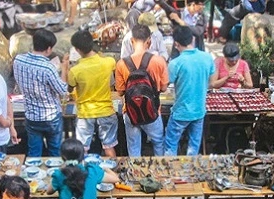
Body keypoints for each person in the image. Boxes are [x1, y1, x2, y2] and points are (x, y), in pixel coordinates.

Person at [115, 23, 168, 157]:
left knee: (133, 147)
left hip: (130, 112)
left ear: (131, 41)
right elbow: (163, 88)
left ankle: (135, 173)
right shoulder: (159, 61)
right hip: (153, 111)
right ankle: (159, 172)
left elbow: (120, 91)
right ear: (149, 42)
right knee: (158, 142)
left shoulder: (121, 64)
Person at [13, 29, 68, 157]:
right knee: (55, 152)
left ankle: (34, 176)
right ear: (49, 49)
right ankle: (55, 175)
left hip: (31, 115)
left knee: (34, 152)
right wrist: (64, 68)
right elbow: (62, 90)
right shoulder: (48, 67)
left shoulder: (18, 60)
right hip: (51, 117)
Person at [164, 26, 216, 156]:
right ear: (192, 39)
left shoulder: (176, 63)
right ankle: (191, 173)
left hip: (180, 111)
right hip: (199, 110)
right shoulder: (207, 58)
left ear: (176, 44)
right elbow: (212, 81)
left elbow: (164, 86)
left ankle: (170, 172)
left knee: (171, 144)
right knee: (194, 146)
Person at [68, 30, 118, 158]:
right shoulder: (109, 62)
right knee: (109, 146)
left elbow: (69, 89)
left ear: (77, 49)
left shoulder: (75, 70)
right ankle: (114, 173)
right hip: (106, 111)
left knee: (82, 150)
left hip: (85, 114)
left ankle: (82, 176)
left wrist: (64, 67)